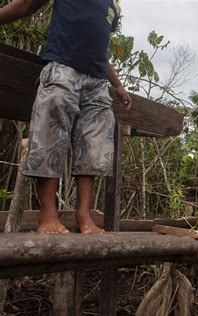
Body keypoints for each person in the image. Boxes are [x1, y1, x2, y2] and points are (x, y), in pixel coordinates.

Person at [0, 0, 132, 234]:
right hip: (63, 68)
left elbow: (100, 50)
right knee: (50, 136)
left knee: (93, 147)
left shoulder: (111, 7)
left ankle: (84, 214)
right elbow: (26, 5)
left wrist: (118, 85)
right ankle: (48, 214)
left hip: (97, 81)